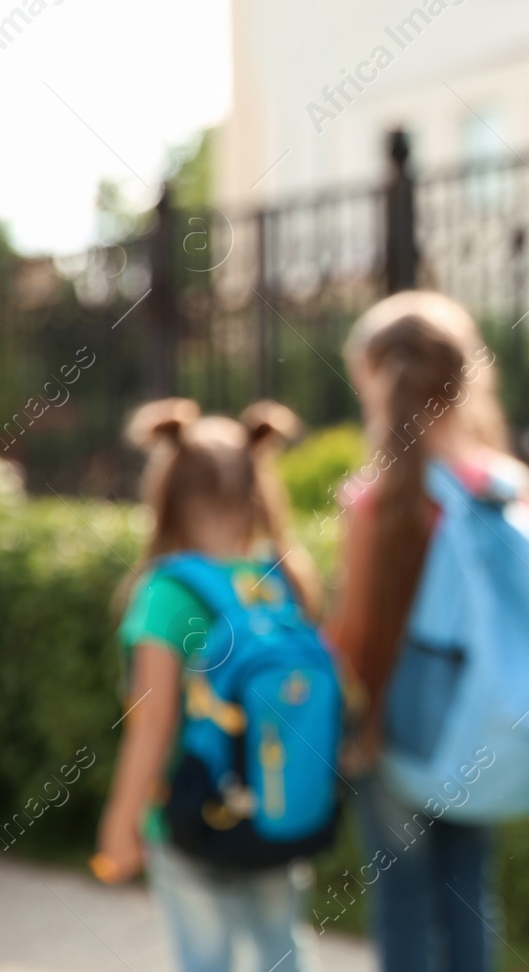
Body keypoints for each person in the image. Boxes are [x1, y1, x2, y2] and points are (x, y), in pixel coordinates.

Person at [326, 290, 529, 972]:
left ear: (376, 380)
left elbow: (356, 629)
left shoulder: (377, 499)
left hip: (396, 734)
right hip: (483, 723)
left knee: (401, 900)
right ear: (468, 378)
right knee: (468, 894)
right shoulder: (503, 483)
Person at [96, 397, 323, 972]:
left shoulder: (167, 593)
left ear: (166, 496)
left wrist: (122, 821)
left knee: (206, 958)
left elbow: (155, 722)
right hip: (280, 804)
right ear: (256, 488)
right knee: (283, 949)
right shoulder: (281, 578)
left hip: (190, 813)